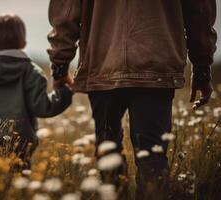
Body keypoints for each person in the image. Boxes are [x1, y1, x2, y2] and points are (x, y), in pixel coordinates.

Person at [47, 0, 217, 199]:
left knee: (108, 154)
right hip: (156, 66)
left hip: (103, 64)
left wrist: (60, 66)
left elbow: (66, 12)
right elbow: (200, 11)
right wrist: (202, 68)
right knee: (153, 161)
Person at [0, 14, 73, 170]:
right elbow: (44, 108)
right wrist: (65, 92)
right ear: (23, 43)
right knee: (19, 187)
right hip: (22, 146)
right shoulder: (33, 73)